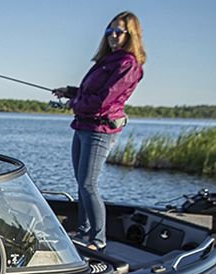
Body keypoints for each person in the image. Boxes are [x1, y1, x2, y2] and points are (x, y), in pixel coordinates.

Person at [53, 11, 145, 251]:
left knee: (88, 184)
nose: (113, 36)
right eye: (109, 31)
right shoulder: (107, 60)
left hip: (100, 130)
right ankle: (82, 232)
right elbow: (91, 92)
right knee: (81, 182)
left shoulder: (128, 64)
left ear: (131, 34)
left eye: (118, 31)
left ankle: (98, 239)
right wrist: (71, 91)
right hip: (83, 126)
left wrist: (73, 104)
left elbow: (104, 100)